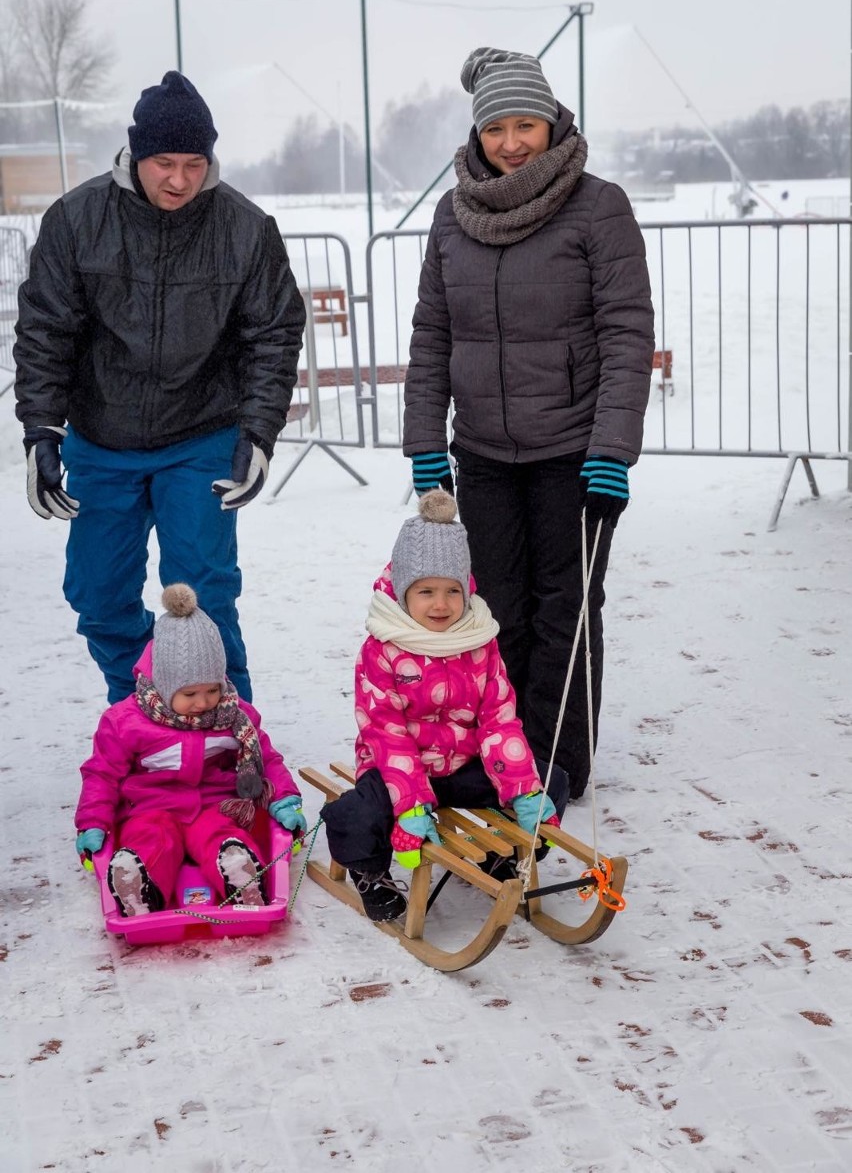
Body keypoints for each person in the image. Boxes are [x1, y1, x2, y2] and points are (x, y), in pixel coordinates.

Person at [404, 47, 655, 800]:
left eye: (525, 125)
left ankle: (557, 763)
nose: (511, 142)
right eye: (496, 129)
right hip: (480, 450)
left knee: (566, 610)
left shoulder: (597, 205)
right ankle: (503, 756)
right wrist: (424, 443)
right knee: (494, 610)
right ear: (476, 134)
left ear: (551, 122)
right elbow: (432, 336)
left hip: (574, 451)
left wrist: (612, 449)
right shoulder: (454, 214)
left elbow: (625, 332)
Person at [14, 71, 306, 705]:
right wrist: (41, 432)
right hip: (102, 438)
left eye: (195, 163)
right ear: (135, 155)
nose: (180, 179)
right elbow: (45, 331)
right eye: (164, 162)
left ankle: (234, 742)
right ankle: (142, 712)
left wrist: (257, 434)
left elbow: (275, 335)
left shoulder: (245, 228)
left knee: (203, 597)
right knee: (97, 594)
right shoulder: (76, 219)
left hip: (201, 436)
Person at [321, 489, 569, 922]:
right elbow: (385, 730)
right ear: (403, 593)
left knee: (553, 780)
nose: (440, 604)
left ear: (467, 591)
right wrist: (412, 803)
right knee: (357, 812)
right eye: (426, 591)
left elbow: (499, 719)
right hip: (396, 768)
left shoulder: (479, 640)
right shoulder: (382, 648)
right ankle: (370, 872)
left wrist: (524, 789)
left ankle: (505, 855)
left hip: (463, 765)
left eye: (452, 591)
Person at [74, 584, 307, 917]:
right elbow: (102, 774)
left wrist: (284, 798)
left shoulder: (233, 715)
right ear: (164, 686)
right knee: (151, 839)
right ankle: (139, 885)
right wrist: (93, 822)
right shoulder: (126, 722)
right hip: (151, 808)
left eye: (213, 689)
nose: (203, 702)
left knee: (221, 833)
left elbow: (265, 757)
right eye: (190, 693)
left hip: (216, 803)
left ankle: (239, 874)